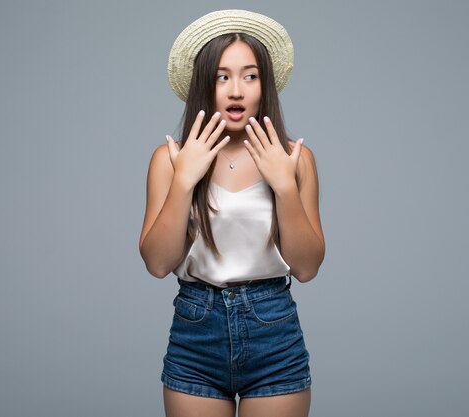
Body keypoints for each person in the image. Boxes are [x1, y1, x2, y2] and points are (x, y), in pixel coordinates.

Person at [139, 9, 325, 417]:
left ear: (265, 85)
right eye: (222, 76)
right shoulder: (169, 160)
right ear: (204, 84)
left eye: (250, 75)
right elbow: (157, 263)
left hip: (273, 331)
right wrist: (184, 180)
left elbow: (307, 268)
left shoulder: (296, 159)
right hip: (196, 333)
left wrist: (284, 185)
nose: (236, 90)